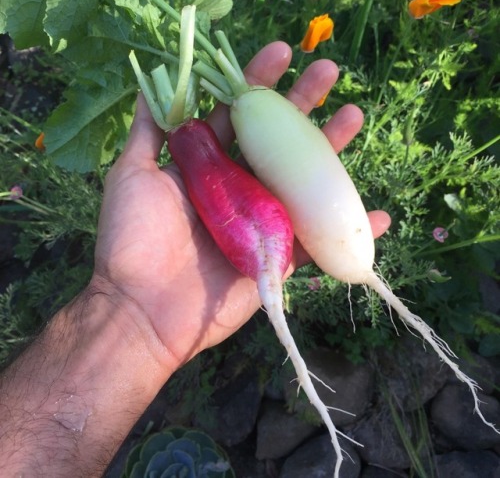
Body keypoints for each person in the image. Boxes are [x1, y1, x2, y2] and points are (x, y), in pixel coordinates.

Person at [0, 42, 390, 477]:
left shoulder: (245, 118)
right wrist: (128, 306)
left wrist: (127, 310)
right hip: (204, 147)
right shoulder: (203, 137)